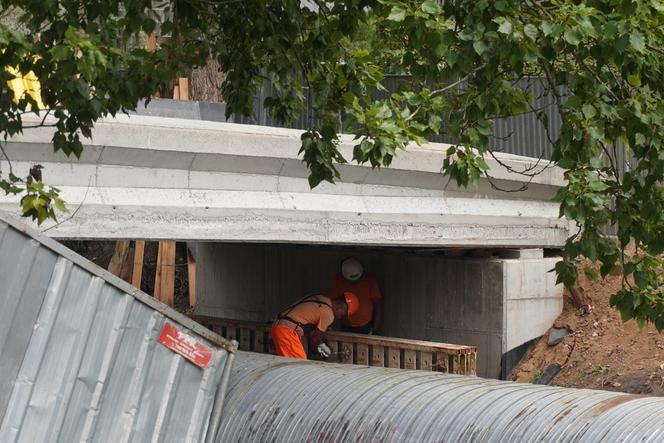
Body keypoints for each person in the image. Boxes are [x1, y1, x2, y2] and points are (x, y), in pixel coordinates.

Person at [272, 292, 359, 360]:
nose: (340, 318)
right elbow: (314, 340)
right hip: (287, 332)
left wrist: (320, 344)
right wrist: (318, 349)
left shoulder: (320, 298)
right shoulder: (329, 314)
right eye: (343, 315)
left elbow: (308, 324)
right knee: (299, 368)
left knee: (291, 365)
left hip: (278, 326)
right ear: (340, 307)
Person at [328, 257, 382, 334]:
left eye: (357, 279)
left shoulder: (370, 280)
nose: (354, 282)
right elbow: (331, 304)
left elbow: (378, 304)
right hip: (345, 326)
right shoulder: (338, 280)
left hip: (365, 326)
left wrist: (375, 329)